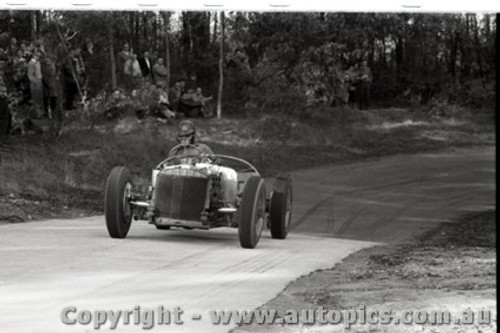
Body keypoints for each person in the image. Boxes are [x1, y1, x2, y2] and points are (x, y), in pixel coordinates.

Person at [27, 49, 44, 117]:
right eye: (38, 55)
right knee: (35, 98)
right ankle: (38, 113)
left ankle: (41, 113)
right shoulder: (31, 63)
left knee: (40, 97)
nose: (39, 56)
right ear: (34, 55)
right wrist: (35, 82)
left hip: (40, 81)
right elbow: (30, 75)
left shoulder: (38, 62)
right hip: (35, 83)